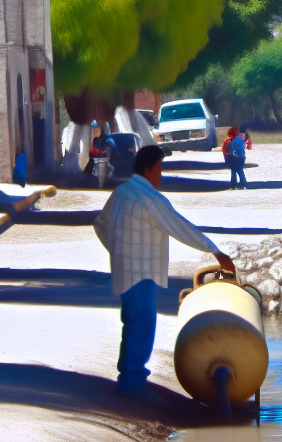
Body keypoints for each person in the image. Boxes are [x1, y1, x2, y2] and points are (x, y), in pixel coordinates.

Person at [94, 145, 236, 401]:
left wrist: (117, 251)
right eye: (159, 168)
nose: (160, 174)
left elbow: (101, 224)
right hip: (142, 271)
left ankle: (127, 376)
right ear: (148, 168)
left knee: (132, 321)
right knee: (143, 323)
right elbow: (180, 227)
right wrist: (215, 251)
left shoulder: (122, 192)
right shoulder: (149, 198)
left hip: (125, 269)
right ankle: (133, 382)